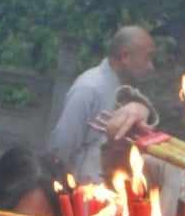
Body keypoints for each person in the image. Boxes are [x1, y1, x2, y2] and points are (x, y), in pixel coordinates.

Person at [49, 26, 159, 183]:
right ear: (125, 56)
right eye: (147, 58)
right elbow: (61, 148)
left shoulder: (127, 91)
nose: (150, 67)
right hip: (84, 189)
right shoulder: (88, 88)